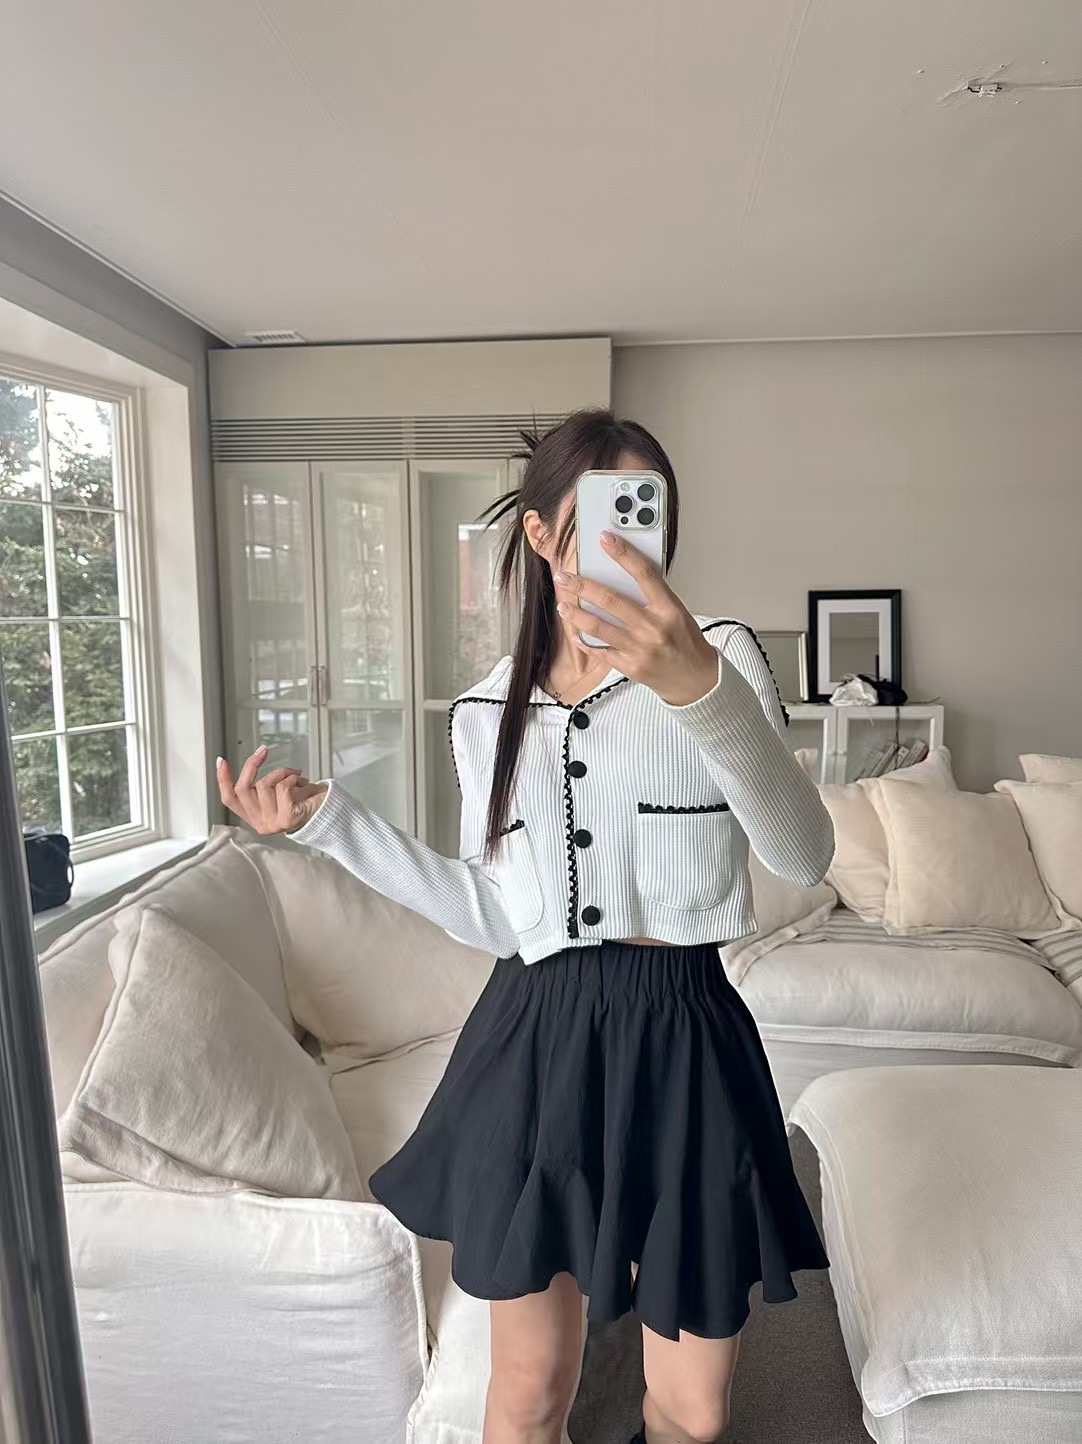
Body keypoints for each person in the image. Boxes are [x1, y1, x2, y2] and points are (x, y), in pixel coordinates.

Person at [216, 409, 835, 1444]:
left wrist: (697, 692)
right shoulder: (484, 710)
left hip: (684, 1036)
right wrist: (330, 823)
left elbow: (804, 855)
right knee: (530, 1385)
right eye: (600, 514)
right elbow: (497, 915)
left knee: (692, 1408)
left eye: (647, 510)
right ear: (543, 533)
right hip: (535, 1040)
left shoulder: (720, 657)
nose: (629, 536)